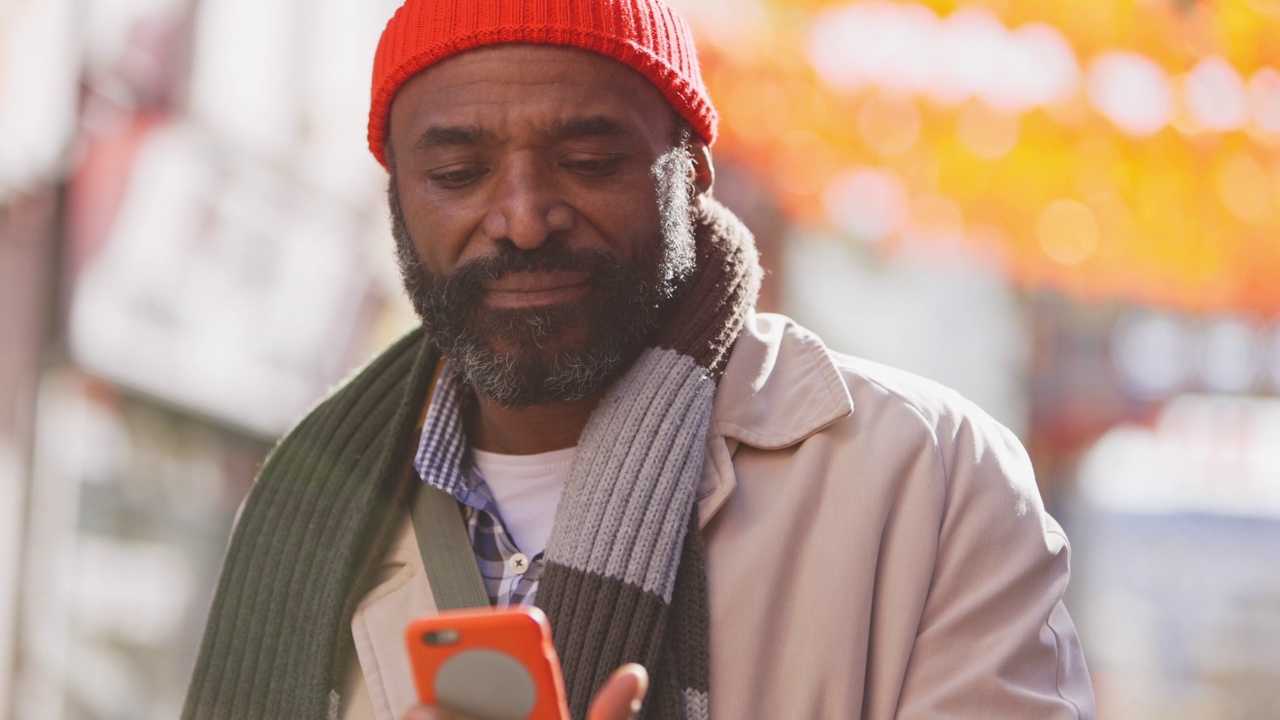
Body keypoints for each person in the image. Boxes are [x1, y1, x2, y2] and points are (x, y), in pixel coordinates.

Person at [182, 0, 1096, 718]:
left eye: (586, 158)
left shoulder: (929, 483)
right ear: (396, 197)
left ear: (692, 169)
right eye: (459, 175)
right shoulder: (309, 510)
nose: (524, 217)